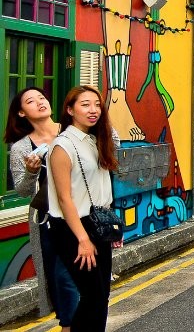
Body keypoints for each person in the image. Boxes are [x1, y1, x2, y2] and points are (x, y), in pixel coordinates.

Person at [5, 87, 78, 329]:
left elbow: (109, 149)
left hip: (83, 212)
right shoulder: (21, 148)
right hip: (47, 219)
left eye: (42, 97)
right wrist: (32, 171)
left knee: (83, 273)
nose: (39, 102)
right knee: (58, 274)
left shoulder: (73, 130)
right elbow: (23, 190)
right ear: (22, 113)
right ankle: (68, 323)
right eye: (30, 101)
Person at [47, 86, 118, 332]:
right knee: (91, 296)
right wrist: (83, 239)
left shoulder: (95, 140)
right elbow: (65, 199)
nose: (93, 110)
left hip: (98, 223)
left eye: (97, 105)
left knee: (101, 296)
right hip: (74, 227)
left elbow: (100, 188)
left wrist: (110, 229)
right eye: (85, 104)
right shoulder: (63, 146)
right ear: (69, 109)